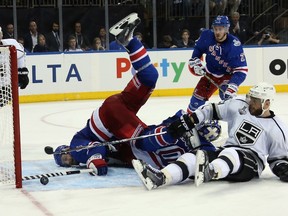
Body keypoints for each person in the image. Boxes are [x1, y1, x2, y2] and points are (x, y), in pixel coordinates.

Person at [52, 13, 217, 176]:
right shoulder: (85, 151)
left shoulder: (76, 144)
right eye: (65, 162)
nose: (69, 161)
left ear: (66, 149)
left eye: (65, 157)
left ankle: (178, 129)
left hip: (110, 117)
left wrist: (95, 161)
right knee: (149, 78)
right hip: (119, 108)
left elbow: (95, 149)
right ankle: (129, 41)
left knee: (142, 141)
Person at [133, 82, 288, 190]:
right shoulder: (239, 106)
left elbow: (278, 159)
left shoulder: (277, 128)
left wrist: (283, 168)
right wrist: (192, 119)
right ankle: (161, 177)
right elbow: (210, 110)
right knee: (194, 156)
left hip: (249, 165)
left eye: (255, 100)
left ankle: (211, 170)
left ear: (267, 103)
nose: (250, 102)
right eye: (250, 98)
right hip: (226, 156)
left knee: (230, 153)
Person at [187, 15, 248, 113]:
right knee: (195, 104)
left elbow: (241, 70)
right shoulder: (206, 35)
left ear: (227, 29)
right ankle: (190, 125)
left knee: (228, 102)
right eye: (215, 29)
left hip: (227, 75)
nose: (217, 32)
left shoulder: (234, 44)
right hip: (210, 73)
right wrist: (195, 62)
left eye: (220, 29)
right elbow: (198, 49)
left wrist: (233, 86)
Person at [0, 26, 29, 105]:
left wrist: (21, 71)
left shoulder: (11, 44)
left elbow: (20, 55)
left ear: (2, 35)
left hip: (5, 87)